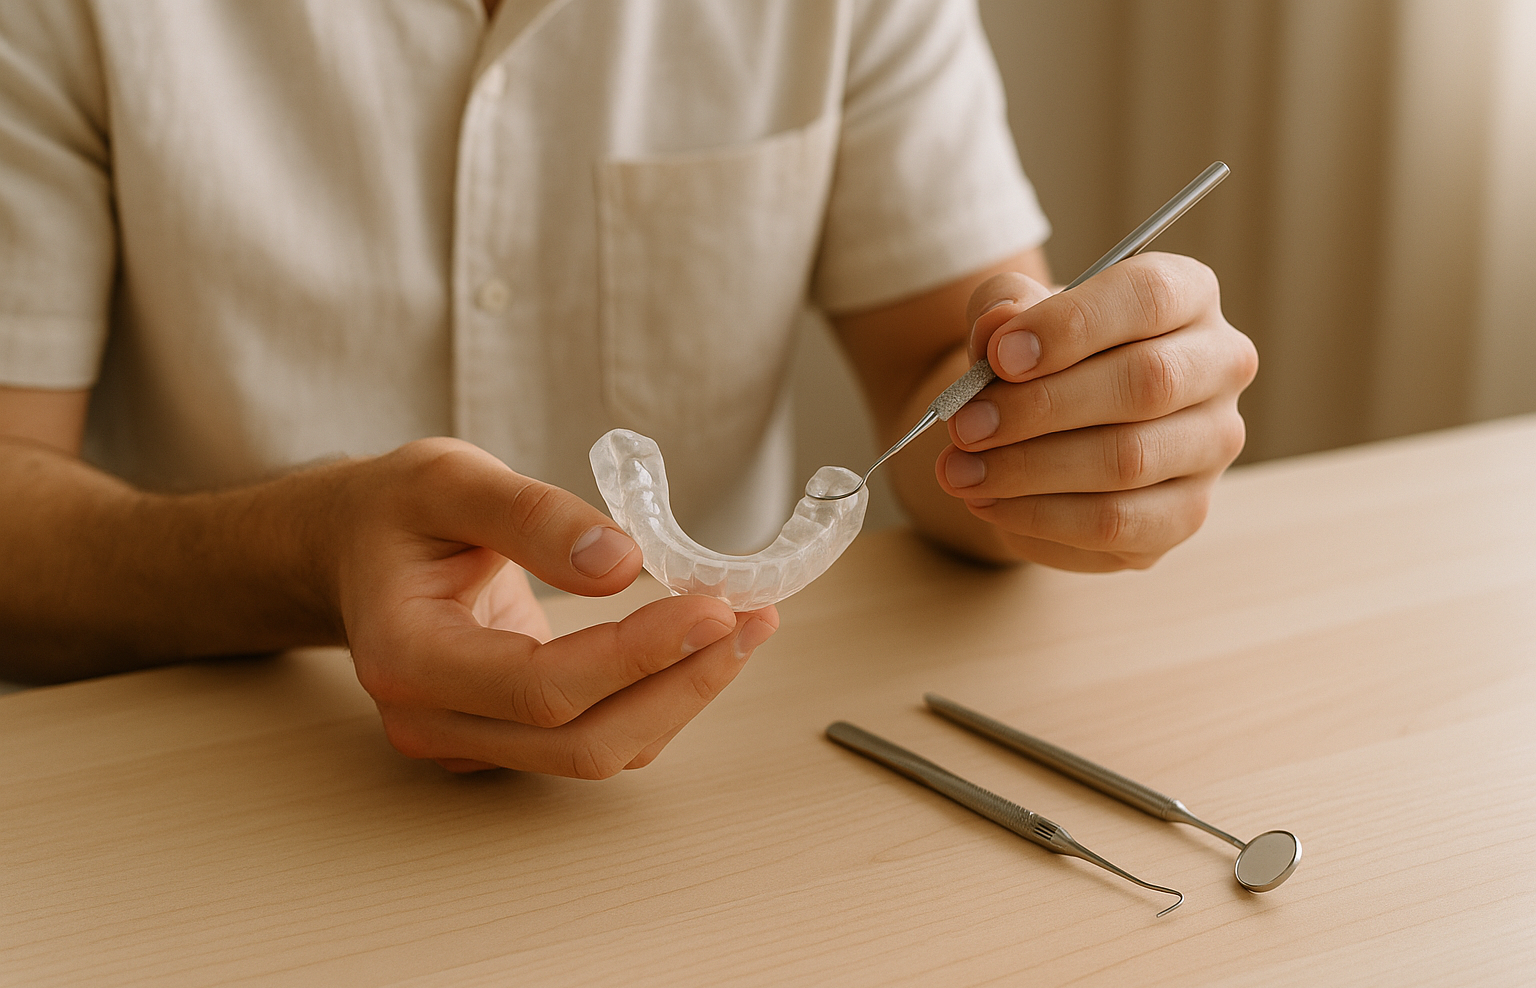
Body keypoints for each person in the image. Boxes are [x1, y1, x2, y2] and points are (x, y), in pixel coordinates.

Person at [0, 0, 1255, 776]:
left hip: (725, 800)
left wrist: (1062, 432)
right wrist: (297, 558)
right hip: (209, 787)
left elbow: (949, 368)